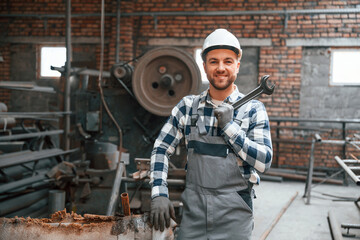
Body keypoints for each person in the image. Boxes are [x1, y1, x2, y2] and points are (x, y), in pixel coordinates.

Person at [149, 28, 273, 240]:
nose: (221, 68)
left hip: (235, 213)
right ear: (204, 66)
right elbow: (161, 148)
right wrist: (159, 192)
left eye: (228, 61)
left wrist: (229, 127)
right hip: (193, 211)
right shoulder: (187, 106)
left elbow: (264, 162)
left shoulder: (253, 109)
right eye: (213, 61)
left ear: (237, 66)